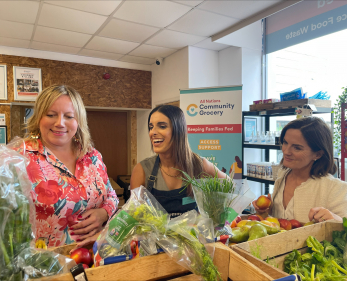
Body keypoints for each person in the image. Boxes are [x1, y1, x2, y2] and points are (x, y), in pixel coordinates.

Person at [17, 85, 118, 247]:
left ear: (78, 121)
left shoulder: (92, 156)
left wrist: (104, 212)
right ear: (38, 118)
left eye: (69, 116)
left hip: (95, 258)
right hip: (45, 263)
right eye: (51, 115)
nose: (60, 123)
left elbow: (111, 195)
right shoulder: (20, 156)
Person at [253, 117, 347, 225]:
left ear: (317, 154)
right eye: (285, 142)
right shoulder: (282, 176)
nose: (286, 151)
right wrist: (266, 212)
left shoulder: (335, 188)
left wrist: (337, 220)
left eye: (297, 148)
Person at [130, 105, 227, 218]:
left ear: (178, 130)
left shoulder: (199, 165)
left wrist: (215, 219)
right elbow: (134, 216)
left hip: (192, 235)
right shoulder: (142, 170)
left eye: (161, 126)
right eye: (151, 127)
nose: (153, 132)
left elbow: (232, 189)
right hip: (156, 236)